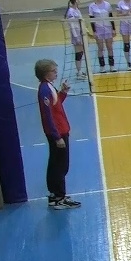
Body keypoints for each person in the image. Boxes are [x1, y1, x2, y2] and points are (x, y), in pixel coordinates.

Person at [35, 59, 81, 210]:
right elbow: (47, 116)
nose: (56, 73)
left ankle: (55, 195)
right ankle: (59, 198)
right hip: (58, 132)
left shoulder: (49, 87)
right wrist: (57, 137)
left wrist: (63, 92)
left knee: (56, 163)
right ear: (45, 73)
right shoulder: (45, 90)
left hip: (59, 130)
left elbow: (56, 105)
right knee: (61, 165)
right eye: (53, 71)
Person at [86, 0, 115, 73]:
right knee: (100, 48)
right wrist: (94, 31)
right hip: (98, 29)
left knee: (110, 47)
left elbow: (111, 17)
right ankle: (102, 67)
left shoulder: (107, 4)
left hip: (108, 28)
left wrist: (113, 29)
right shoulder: (92, 6)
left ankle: (112, 66)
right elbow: (91, 19)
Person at [64, 0, 86, 80]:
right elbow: (72, 25)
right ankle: (79, 72)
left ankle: (79, 70)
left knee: (81, 52)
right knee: (78, 53)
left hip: (81, 33)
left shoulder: (77, 9)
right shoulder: (71, 11)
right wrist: (76, 37)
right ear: (74, 0)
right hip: (76, 35)